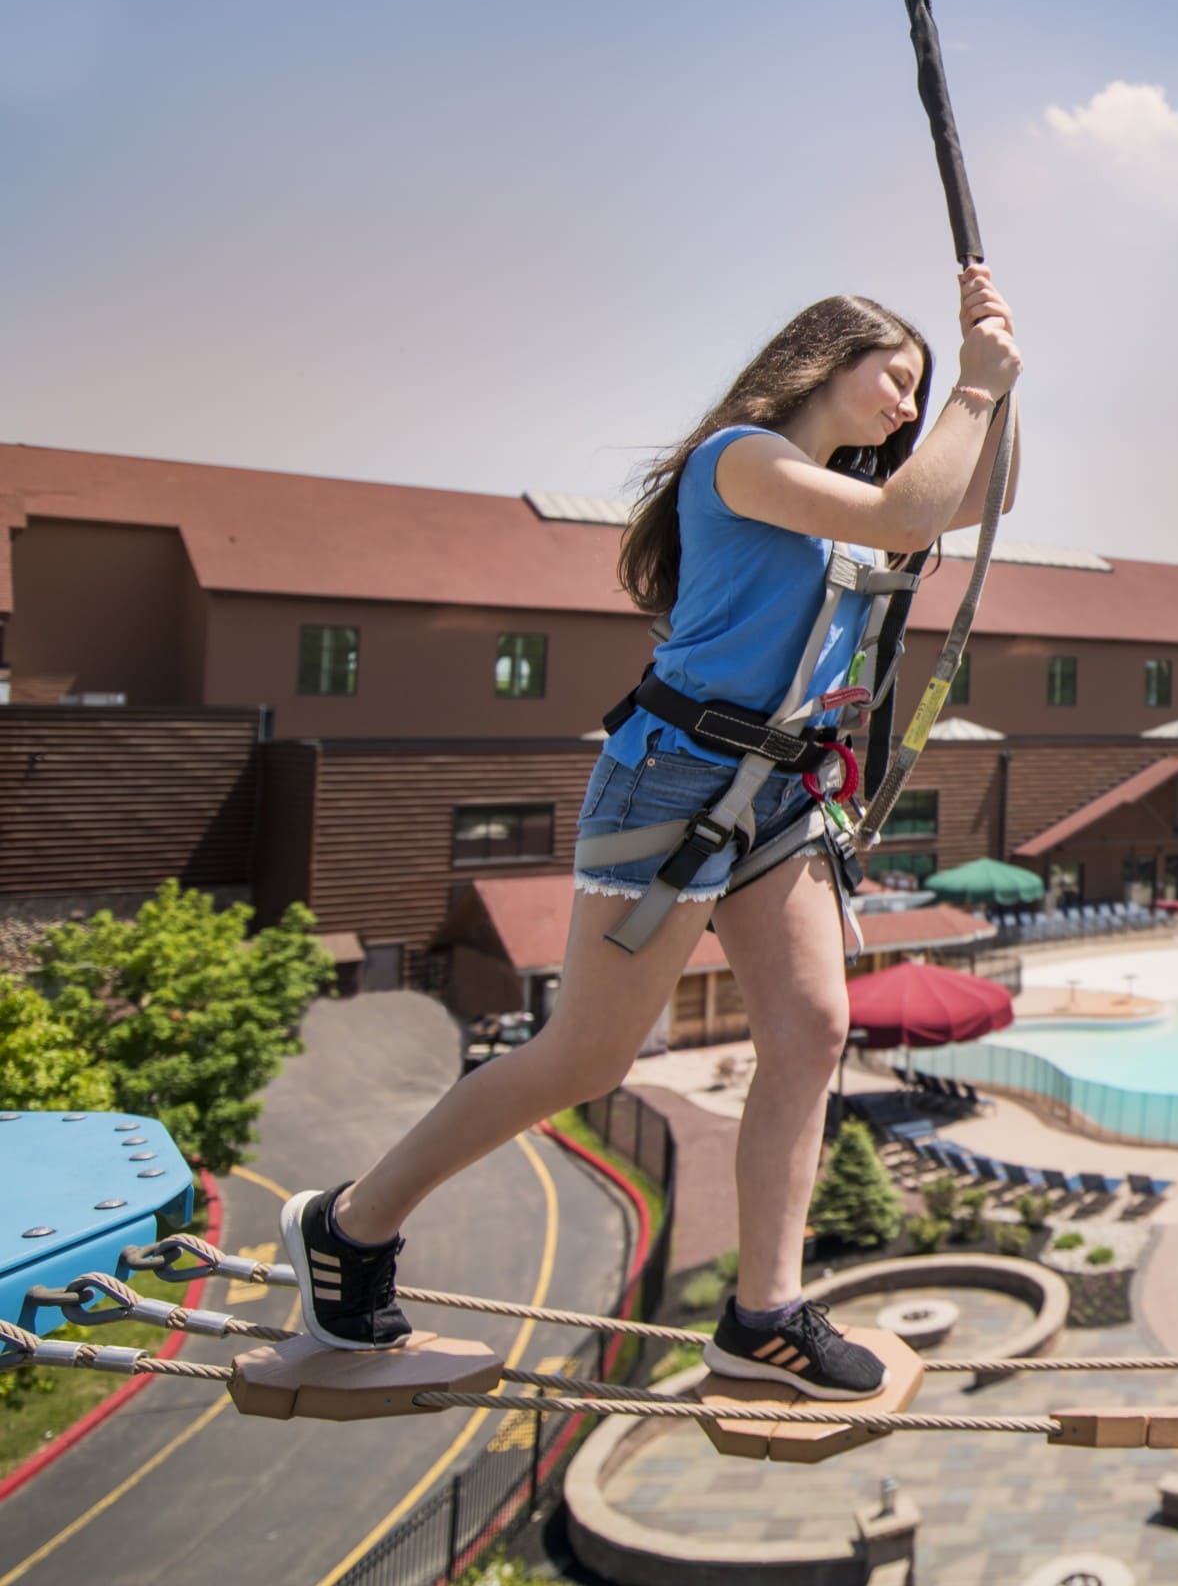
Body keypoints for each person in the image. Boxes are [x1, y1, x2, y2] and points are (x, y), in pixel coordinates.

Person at [281, 275, 1021, 1399]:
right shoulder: (745, 460)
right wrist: (970, 380)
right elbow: (910, 519)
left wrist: (999, 378)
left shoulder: (847, 489)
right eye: (897, 379)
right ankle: (351, 1223)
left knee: (815, 1028)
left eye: (923, 396)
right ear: (825, 360)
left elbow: (983, 493)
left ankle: (764, 1313)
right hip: (675, 784)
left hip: (782, 792)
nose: (910, 408)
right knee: (587, 1056)